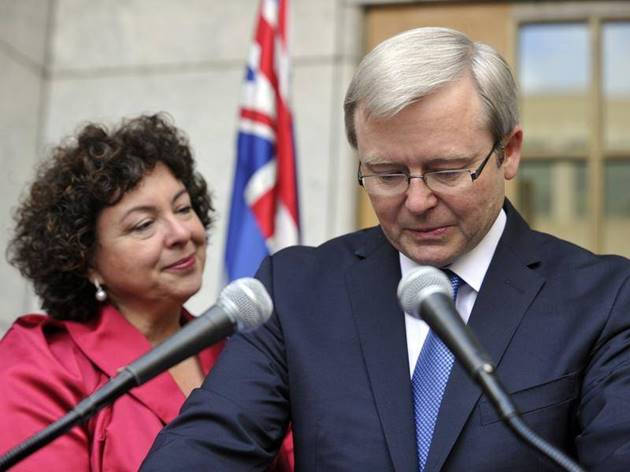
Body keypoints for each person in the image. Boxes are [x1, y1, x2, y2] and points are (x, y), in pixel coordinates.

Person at [141, 28, 630, 471]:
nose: (416, 201)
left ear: (510, 152)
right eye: (387, 175)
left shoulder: (605, 299)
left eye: (447, 171)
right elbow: (206, 448)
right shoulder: (295, 291)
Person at [0, 113, 293, 471]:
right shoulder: (44, 361)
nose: (181, 233)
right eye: (143, 225)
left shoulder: (240, 353)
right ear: (84, 259)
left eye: (184, 208)